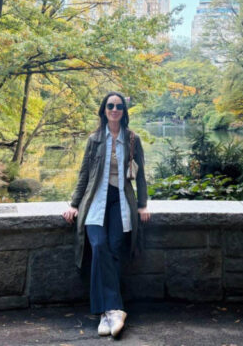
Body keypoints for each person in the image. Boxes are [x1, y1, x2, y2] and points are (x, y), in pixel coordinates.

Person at [62, 91, 150, 338]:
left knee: (113, 246)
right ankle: (114, 310)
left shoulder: (133, 139)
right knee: (99, 245)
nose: (114, 109)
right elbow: (84, 174)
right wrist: (74, 203)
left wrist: (142, 205)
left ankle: (104, 314)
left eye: (119, 106)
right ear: (103, 110)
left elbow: (140, 175)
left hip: (120, 200)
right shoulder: (95, 140)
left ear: (123, 111)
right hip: (96, 200)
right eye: (110, 106)